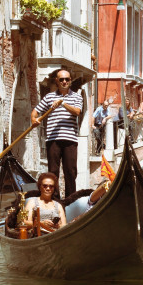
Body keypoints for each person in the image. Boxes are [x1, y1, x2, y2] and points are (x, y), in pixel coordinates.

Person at [31, 68, 85, 199]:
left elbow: (77, 112)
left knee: (70, 172)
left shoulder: (77, 97)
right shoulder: (49, 97)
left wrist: (62, 103)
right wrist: (34, 119)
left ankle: (71, 200)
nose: (64, 82)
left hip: (70, 139)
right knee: (53, 172)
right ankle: (54, 200)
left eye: (67, 79)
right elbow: (36, 111)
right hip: (53, 139)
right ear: (57, 81)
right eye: (62, 79)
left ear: (70, 81)